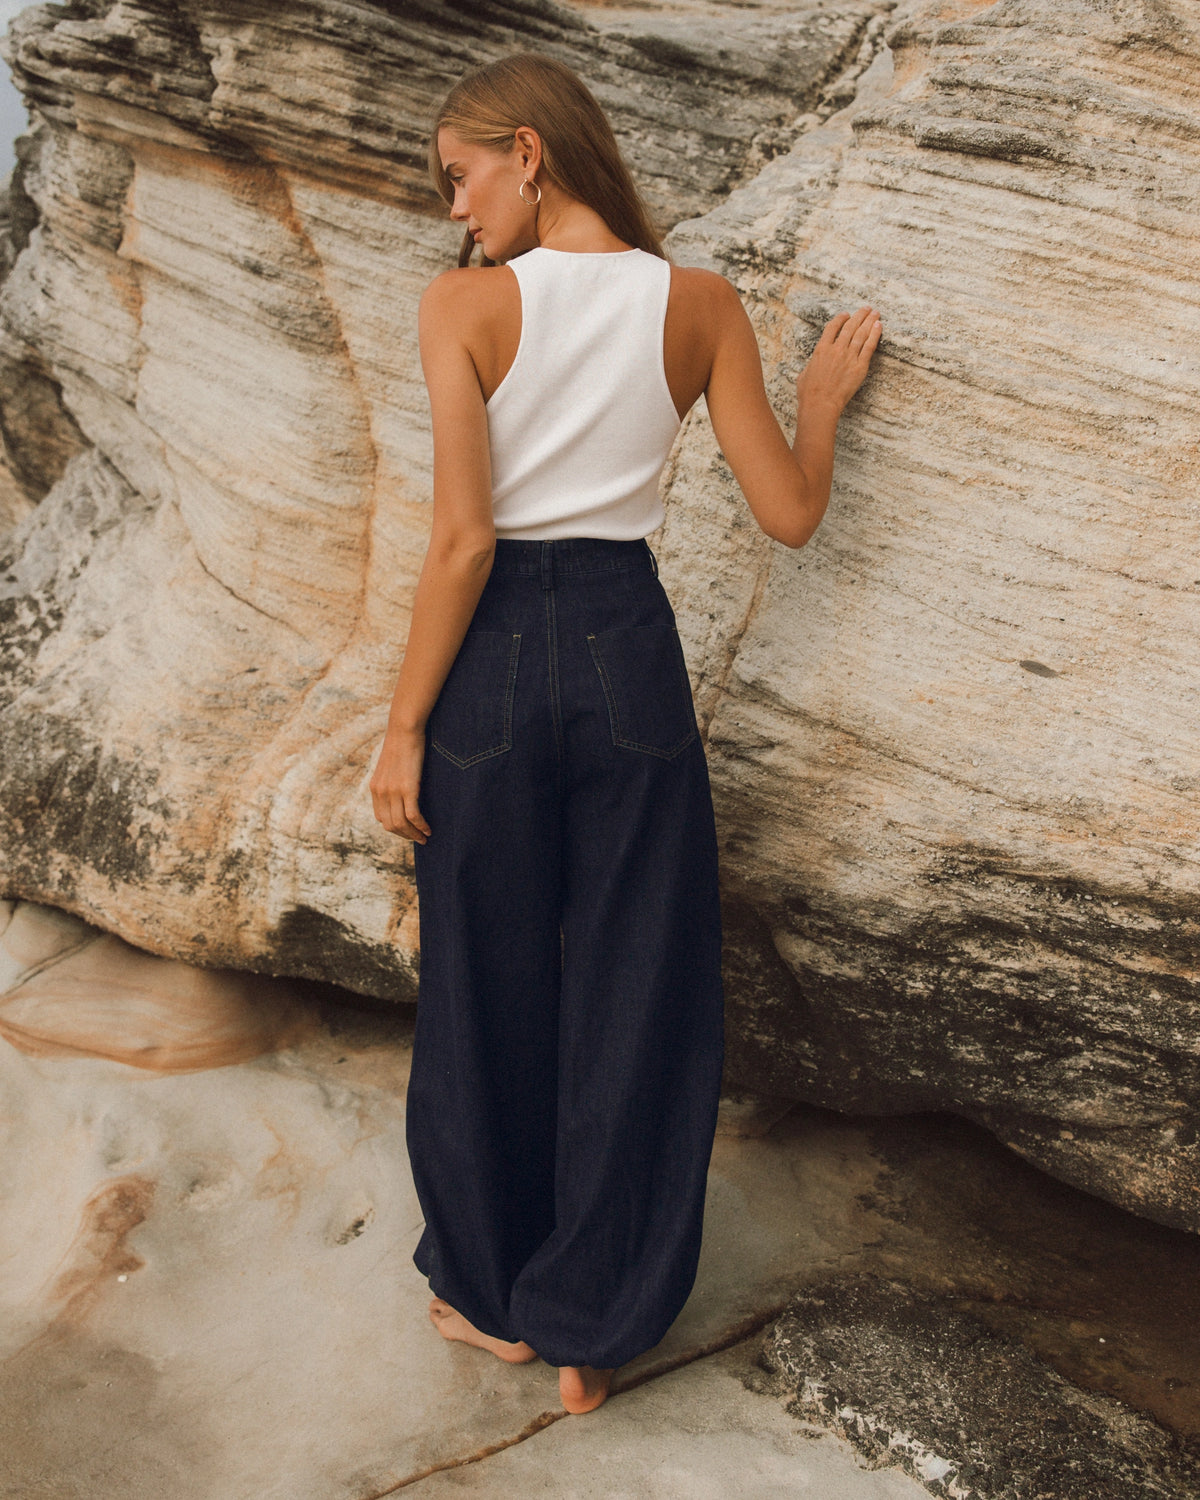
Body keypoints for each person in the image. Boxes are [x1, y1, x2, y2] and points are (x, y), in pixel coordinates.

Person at [369, 51, 882, 1416]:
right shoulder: (698, 304)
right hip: (625, 648)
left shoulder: (462, 305)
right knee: (637, 980)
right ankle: (593, 1330)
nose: (456, 208)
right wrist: (819, 412)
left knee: (483, 981)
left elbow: (464, 540)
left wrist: (404, 727)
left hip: (492, 661)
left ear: (529, 153)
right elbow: (789, 516)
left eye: (462, 175)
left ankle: (493, 1301)